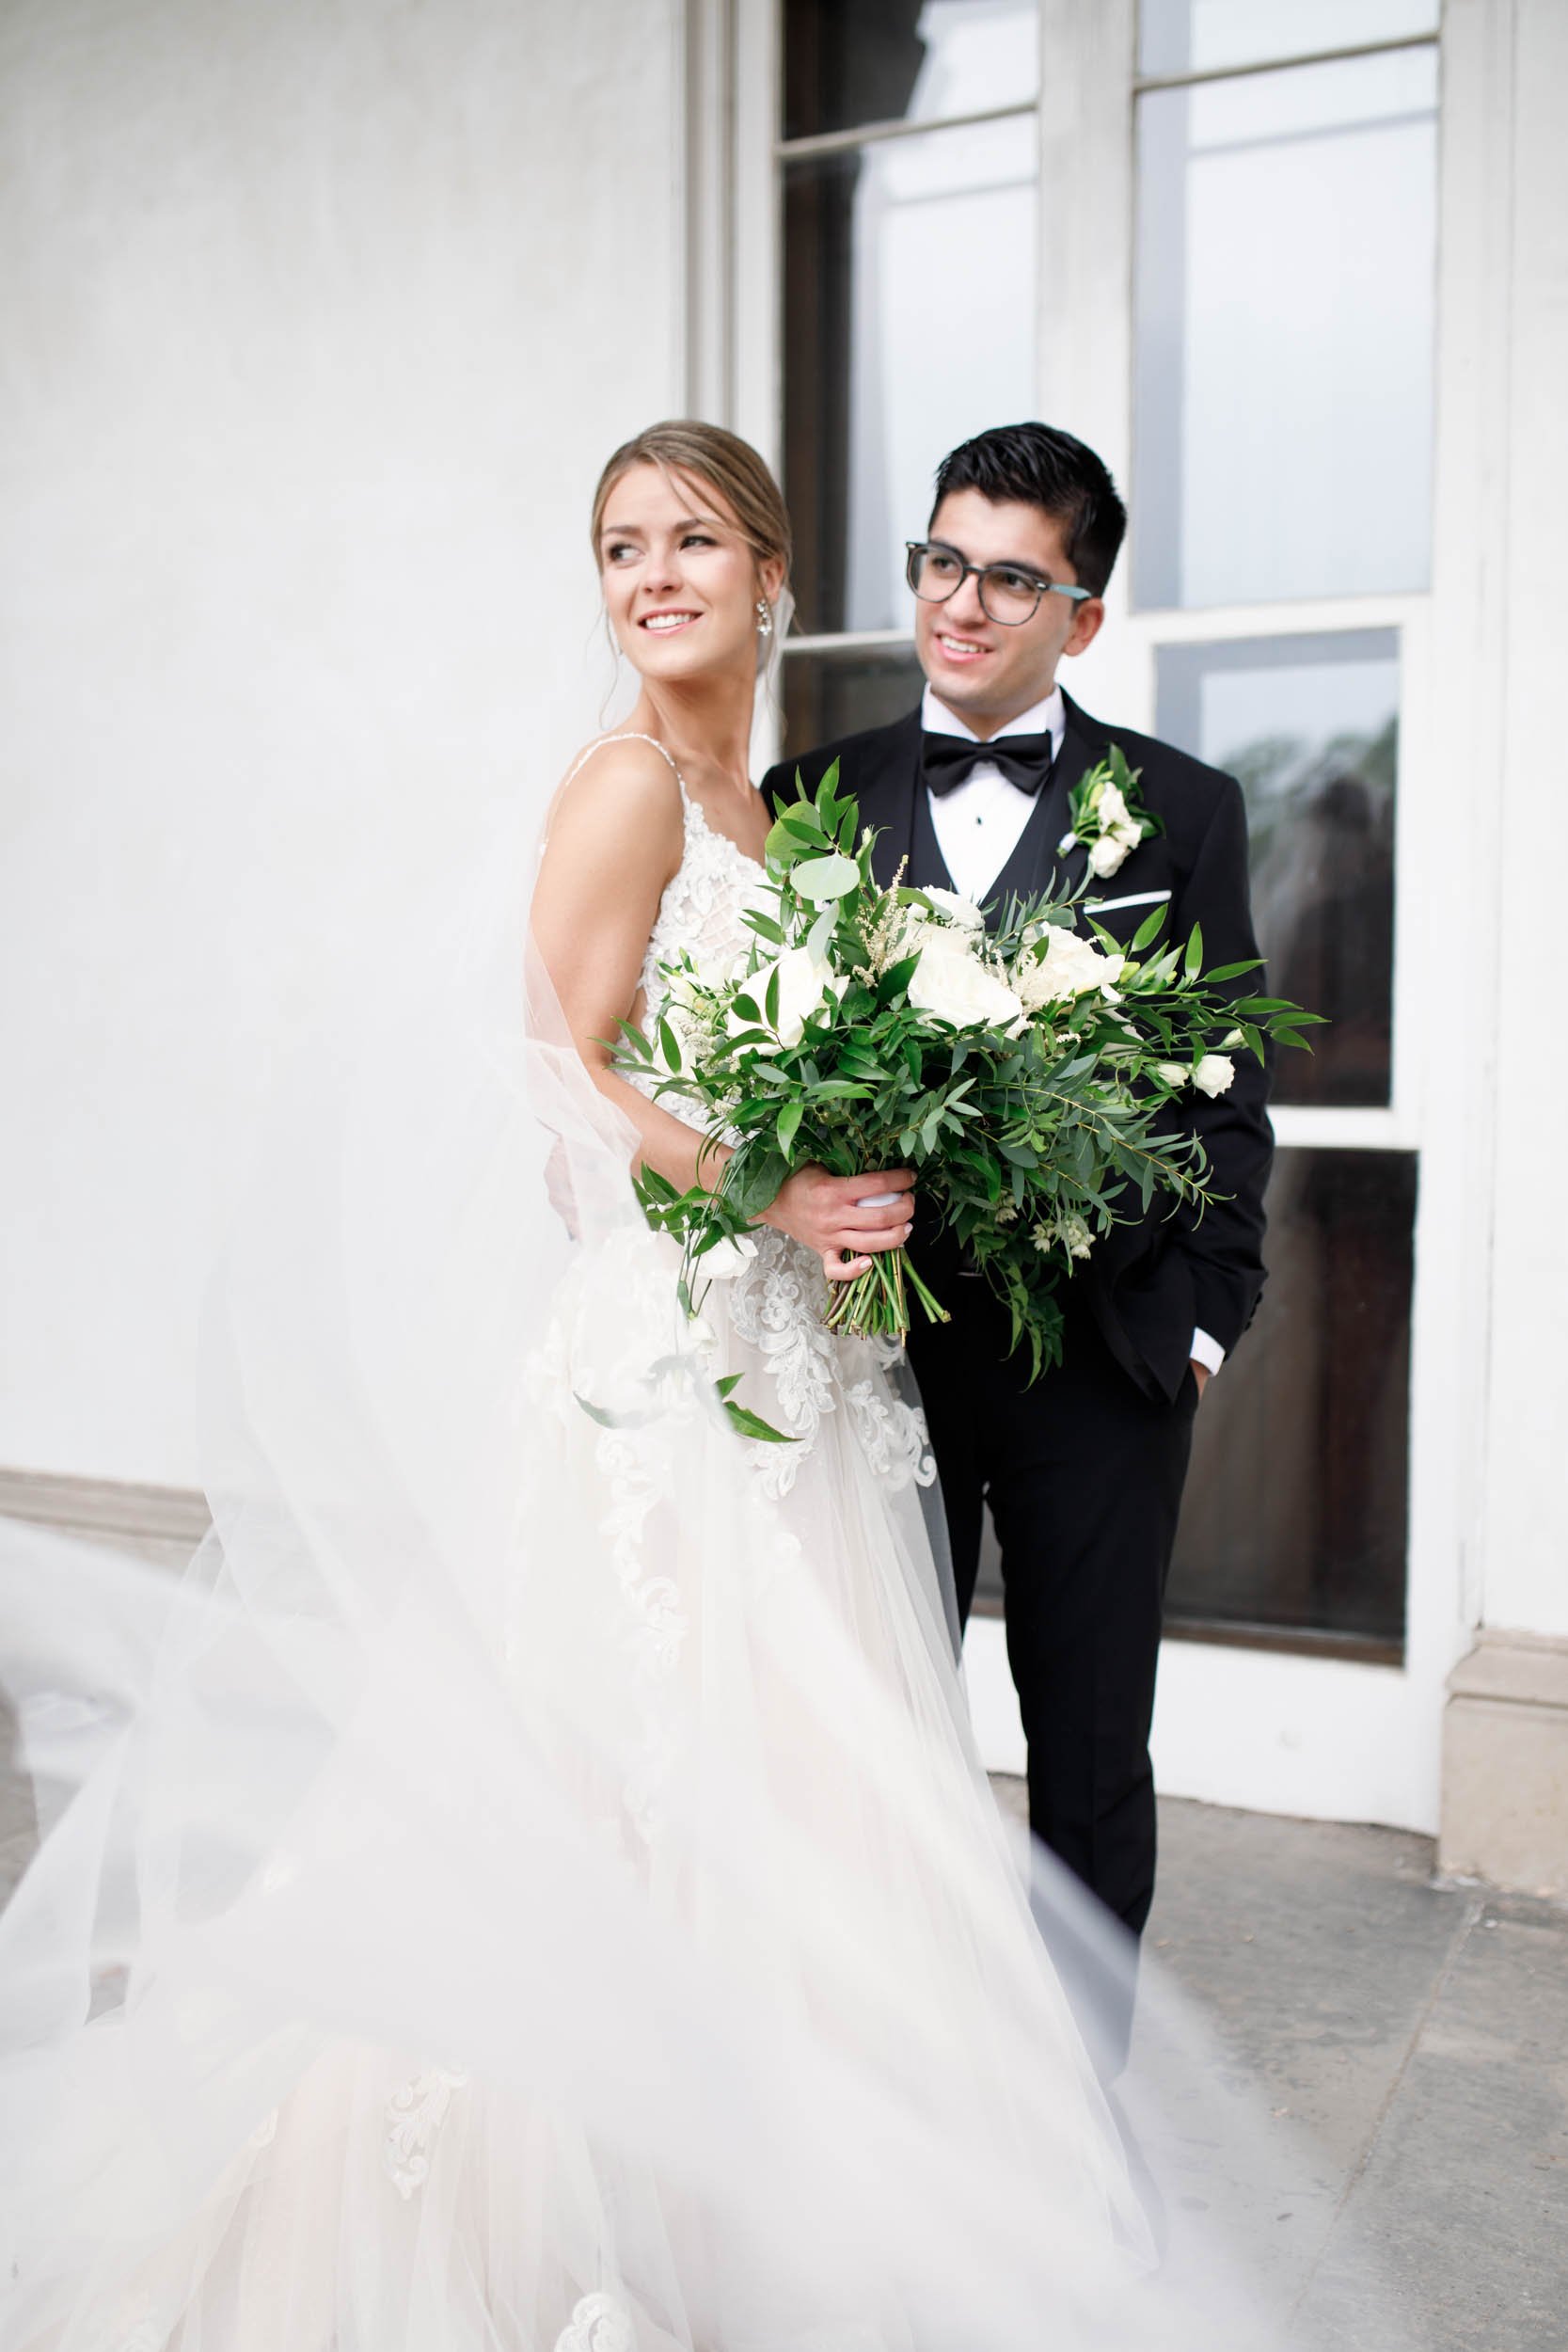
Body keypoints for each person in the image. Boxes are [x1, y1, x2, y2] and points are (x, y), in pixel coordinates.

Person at [0, 421, 1261, 2352]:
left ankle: (792, 2194)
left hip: (828, 1373)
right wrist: (773, 1189)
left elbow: (1134, 1073)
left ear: (770, 572)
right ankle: (556, 2213)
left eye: (691, 540)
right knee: (636, 1772)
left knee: (811, 1800)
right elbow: (550, 1068)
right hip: (671, 1374)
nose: (653, 575)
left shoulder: (778, 812)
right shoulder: (625, 785)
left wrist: (884, 1209)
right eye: (618, 547)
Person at [762, 423, 1274, 1988]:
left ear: (1082, 617)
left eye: (1008, 578)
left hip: (1105, 1358)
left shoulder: (1182, 808)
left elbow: (1228, 1092)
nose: (960, 604)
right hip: (874, 1353)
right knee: (870, 1744)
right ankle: (893, 2084)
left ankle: (1082, 2103)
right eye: (941, 561)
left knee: (1092, 1756)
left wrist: (1202, 1329)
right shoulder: (809, 799)